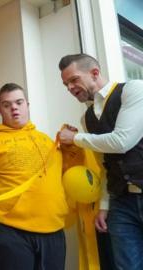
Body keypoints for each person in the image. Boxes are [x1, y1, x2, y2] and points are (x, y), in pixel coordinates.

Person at [0, 83, 68, 270]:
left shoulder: (47, 140)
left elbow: (61, 175)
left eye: (19, 102)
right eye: (7, 104)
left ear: (27, 105)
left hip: (53, 227)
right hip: (9, 228)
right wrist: (9, 201)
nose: (14, 108)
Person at [58, 53, 143, 270]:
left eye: (74, 79)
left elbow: (121, 141)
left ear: (94, 73)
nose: (70, 87)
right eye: (66, 84)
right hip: (120, 203)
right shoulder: (86, 118)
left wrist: (75, 139)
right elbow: (106, 164)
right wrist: (104, 206)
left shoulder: (134, 90)